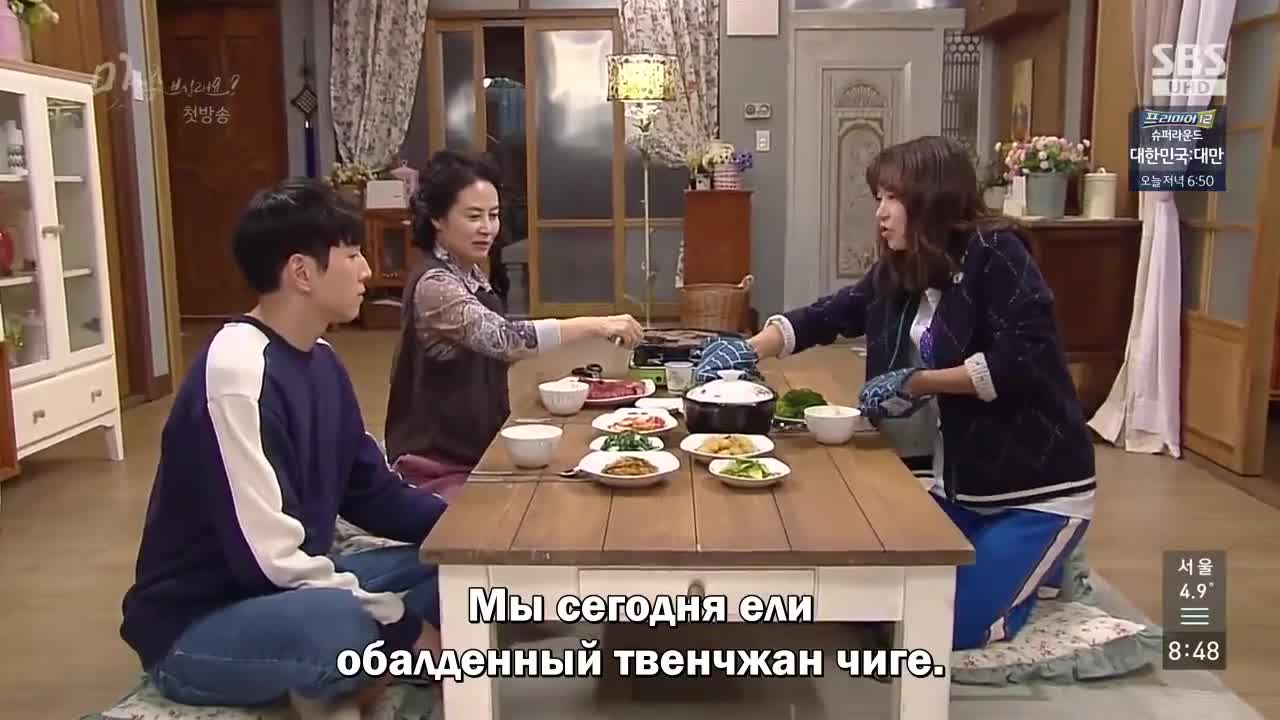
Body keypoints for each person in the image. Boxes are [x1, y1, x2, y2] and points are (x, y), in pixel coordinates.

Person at [696, 135, 1096, 650]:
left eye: (892, 198)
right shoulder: (904, 267)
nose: (880, 213)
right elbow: (830, 314)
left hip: (1035, 491)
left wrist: (918, 381)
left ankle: (1048, 559)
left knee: (945, 629)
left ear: (932, 199)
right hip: (958, 485)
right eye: (878, 198)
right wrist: (748, 349)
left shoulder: (997, 253)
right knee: (866, 597)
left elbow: (1018, 362)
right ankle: (1020, 564)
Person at [120, 180, 447, 720]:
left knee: (449, 569)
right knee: (342, 629)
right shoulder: (236, 373)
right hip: (202, 620)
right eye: (352, 254)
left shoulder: (321, 359)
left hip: (286, 594)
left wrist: (466, 529)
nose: (367, 270)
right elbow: (268, 560)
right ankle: (341, 679)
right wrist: (405, 626)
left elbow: (371, 491)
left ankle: (344, 683)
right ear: (302, 272)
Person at [385, 150, 644, 494]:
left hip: (475, 449)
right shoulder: (436, 285)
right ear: (437, 218)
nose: (487, 228)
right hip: (433, 463)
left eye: (493, 215)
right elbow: (505, 340)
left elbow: (492, 353)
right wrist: (598, 325)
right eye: (473, 216)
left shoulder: (469, 273)